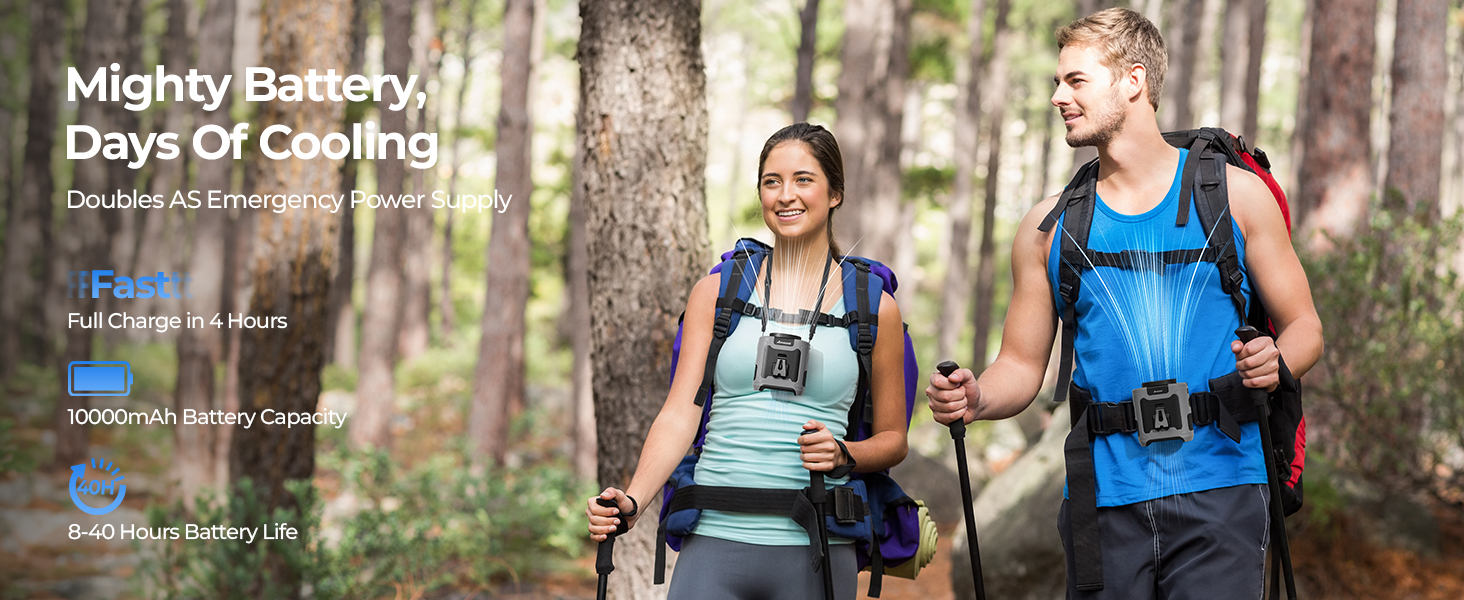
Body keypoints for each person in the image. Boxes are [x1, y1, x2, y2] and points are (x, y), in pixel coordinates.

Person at [926, 8, 1322, 600]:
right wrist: (977, 396)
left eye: (1076, 80)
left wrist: (1277, 361)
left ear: (1133, 81)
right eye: (1057, 82)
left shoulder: (1235, 197)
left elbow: (1304, 327)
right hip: (1102, 498)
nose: (1058, 96)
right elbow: (1020, 366)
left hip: (1224, 486)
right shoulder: (1047, 227)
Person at [585, 123, 909, 600]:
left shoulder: (872, 305)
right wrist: (634, 499)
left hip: (818, 538)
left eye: (803, 179)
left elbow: (893, 439)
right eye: (771, 181)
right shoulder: (717, 292)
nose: (785, 195)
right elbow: (681, 412)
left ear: (835, 192)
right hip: (713, 538)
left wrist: (845, 454)